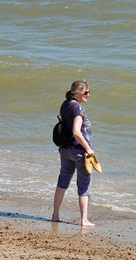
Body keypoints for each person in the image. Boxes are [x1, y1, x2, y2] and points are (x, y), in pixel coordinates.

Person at [51, 80, 95, 226]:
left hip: (65, 149)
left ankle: (55, 215)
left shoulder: (65, 104)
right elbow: (76, 131)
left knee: (62, 181)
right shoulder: (78, 108)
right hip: (79, 151)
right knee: (84, 185)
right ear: (77, 93)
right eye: (86, 92)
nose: (88, 95)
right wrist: (88, 149)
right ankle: (84, 220)